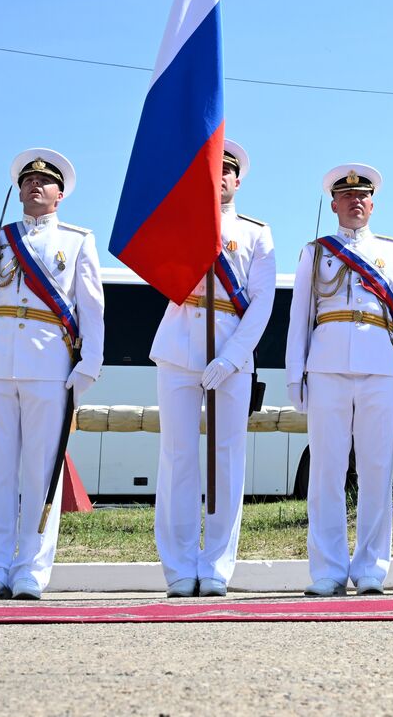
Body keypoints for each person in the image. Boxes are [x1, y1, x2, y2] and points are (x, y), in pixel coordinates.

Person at [0, 149, 105, 601]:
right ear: (19, 191)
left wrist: (88, 366)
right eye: (28, 181)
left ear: (60, 196)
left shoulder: (77, 241)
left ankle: (32, 570)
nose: (35, 186)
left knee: (42, 473)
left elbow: (92, 310)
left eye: (45, 182)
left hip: (48, 367)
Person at [286, 164, 393, 596]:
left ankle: (370, 569)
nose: (355, 201)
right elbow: (300, 316)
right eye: (347, 196)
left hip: (381, 366)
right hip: (326, 366)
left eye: (362, 196)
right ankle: (327, 569)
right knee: (326, 470)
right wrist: (296, 373)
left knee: (376, 469)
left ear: (372, 203)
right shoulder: (315, 251)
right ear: (334, 204)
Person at [149, 139, 276, 597]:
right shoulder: (178, 221)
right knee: (178, 458)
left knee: (227, 460)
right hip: (180, 345)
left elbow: (262, 301)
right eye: (212, 169)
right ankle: (180, 566)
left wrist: (233, 356)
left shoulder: (258, 232)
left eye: (227, 171)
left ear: (238, 180)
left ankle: (218, 565)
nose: (219, 177)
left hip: (231, 350)